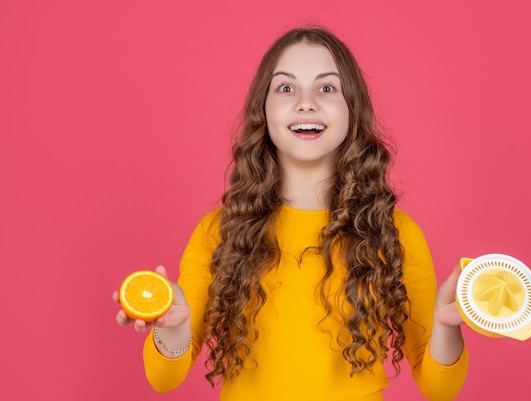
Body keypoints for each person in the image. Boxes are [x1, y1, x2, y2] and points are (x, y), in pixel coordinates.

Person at [113, 27, 468, 401]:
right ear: (263, 110)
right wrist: (173, 325)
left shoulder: (395, 234)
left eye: (327, 88)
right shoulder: (218, 233)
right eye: (286, 88)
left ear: (353, 109)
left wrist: (446, 326)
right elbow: (163, 378)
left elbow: (440, 388)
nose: (306, 102)